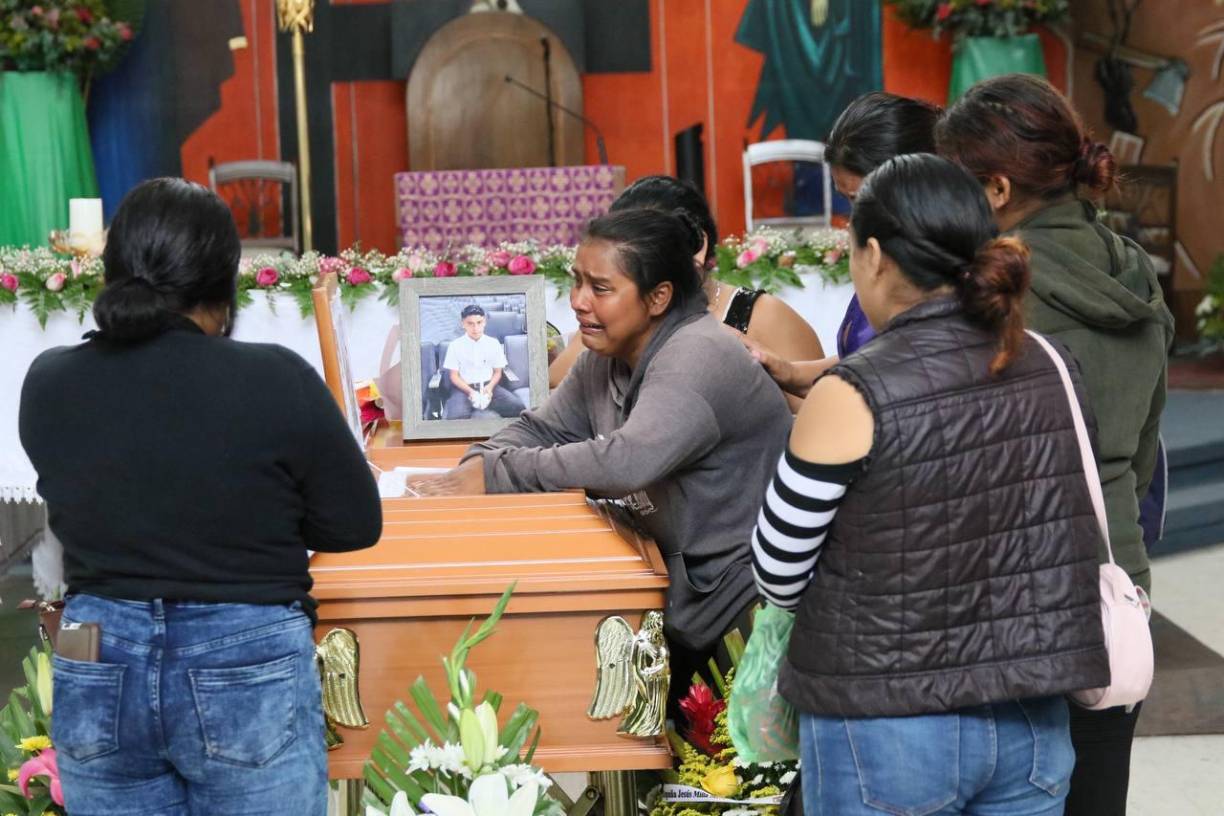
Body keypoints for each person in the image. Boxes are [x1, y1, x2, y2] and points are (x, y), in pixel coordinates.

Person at [752, 154, 1109, 816]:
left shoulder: (854, 391)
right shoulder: (1053, 364)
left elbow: (777, 571)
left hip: (887, 723)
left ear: (877, 256)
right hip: (1033, 716)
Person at [18, 178, 382, 816]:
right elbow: (353, 522)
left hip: (91, 638)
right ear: (226, 280)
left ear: (112, 270)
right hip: (244, 642)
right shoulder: (272, 378)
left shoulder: (50, 380)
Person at [413, 208, 793, 696]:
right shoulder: (606, 357)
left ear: (659, 298)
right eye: (576, 282)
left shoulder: (699, 354)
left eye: (600, 288)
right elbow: (541, 428)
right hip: (677, 598)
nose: (577, 302)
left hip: (747, 615)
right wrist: (478, 461)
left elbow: (625, 462)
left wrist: (494, 474)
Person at [936, 74, 1174, 816]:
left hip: (1016, 588)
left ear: (998, 188)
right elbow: (1143, 452)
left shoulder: (996, 292)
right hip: (1115, 578)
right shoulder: (1136, 273)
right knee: (1099, 789)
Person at [549, 175, 824, 412]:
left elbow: (818, 419)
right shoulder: (615, 321)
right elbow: (551, 390)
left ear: (698, 245)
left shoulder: (763, 316)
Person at [735, 92, 941, 394]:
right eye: (847, 202)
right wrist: (790, 371)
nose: (854, 219)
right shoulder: (886, 251)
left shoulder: (936, 265)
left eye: (859, 200)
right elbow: (864, 360)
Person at [442, 304, 526, 419]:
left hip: (489, 386)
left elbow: (497, 372)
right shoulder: (455, 346)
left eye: (479, 322)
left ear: (484, 322)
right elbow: (454, 376)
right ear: (463, 324)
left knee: (518, 407)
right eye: (470, 323)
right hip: (463, 388)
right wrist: (470, 392)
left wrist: (490, 388)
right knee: (456, 416)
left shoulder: (493, 343)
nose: (475, 328)